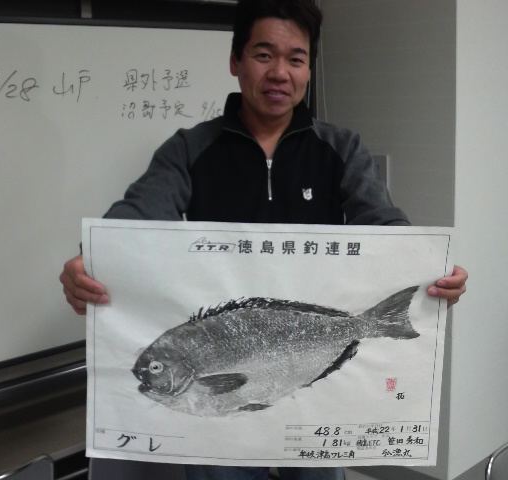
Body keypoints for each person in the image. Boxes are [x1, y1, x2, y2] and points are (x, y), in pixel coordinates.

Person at [60, 1, 468, 478]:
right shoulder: (190, 149)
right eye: (263, 55)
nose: (280, 73)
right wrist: (91, 264)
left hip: (309, 380)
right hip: (226, 385)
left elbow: (384, 223)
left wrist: (428, 272)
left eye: (296, 59)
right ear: (236, 61)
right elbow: (135, 216)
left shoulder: (340, 148)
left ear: (309, 70)